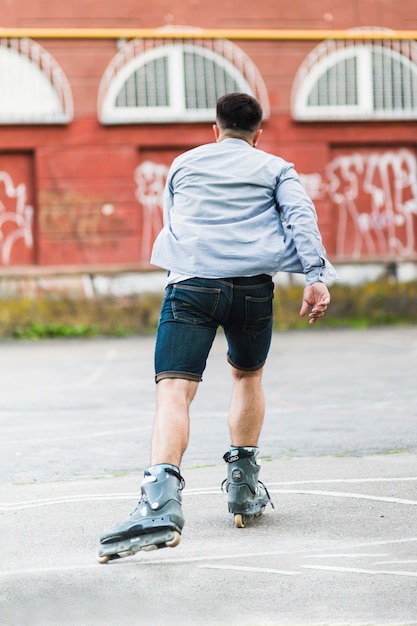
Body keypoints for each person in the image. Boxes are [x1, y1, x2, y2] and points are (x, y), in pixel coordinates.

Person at [97, 92, 337, 563]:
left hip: (192, 285)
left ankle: (159, 503)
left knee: (174, 390)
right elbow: (301, 219)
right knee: (247, 375)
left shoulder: (183, 164)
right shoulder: (275, 167)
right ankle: (243, 488)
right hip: (252, 288)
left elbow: (175, 220)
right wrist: (315, 277)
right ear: (258, 133)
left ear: (216, 128)